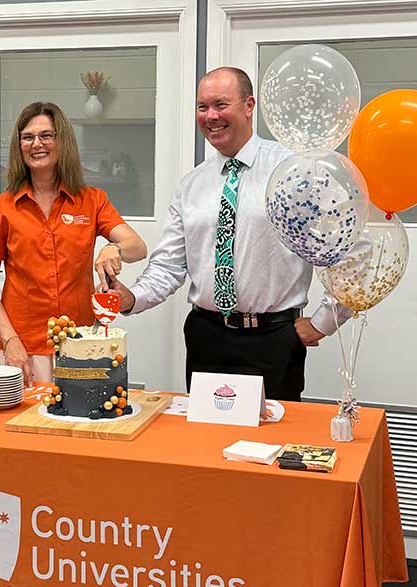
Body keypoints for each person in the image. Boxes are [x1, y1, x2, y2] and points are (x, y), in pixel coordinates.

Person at [109, 67, 346, 401]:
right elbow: (170, 265)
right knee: (204, 447)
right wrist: (132, 297)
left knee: (268, 448)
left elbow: (349, 247)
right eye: (202, 107)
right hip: (207, 338)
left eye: (221, 104)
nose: (211, 116)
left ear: (249, 105)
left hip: (272, 341)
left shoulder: (295, 170)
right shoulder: (192, 185)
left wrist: (324, 322)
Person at [0, 101, 147, 384]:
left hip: (81, 345)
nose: (36, 144)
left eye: (46, 136)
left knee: (81, 423)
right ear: (19, 146)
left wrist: (112, 248)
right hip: (25, 348)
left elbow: (137, 247)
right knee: (28, 426)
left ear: (61, 141)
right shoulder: (1, 208)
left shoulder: (92, 200)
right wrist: (10, 340)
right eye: (27, 137)